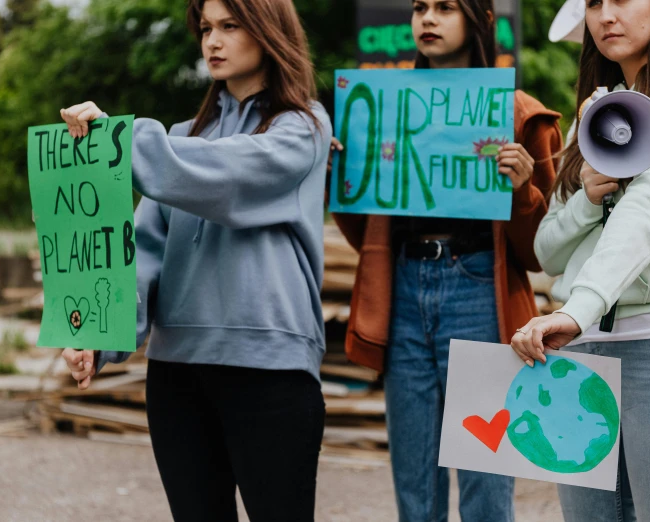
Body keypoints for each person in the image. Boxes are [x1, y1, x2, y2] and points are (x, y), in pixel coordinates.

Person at [59, 0, 331, 520]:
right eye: (206, 28)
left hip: (270, 370)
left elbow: (227, 175)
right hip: (176, 373)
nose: (212, 41)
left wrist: (120, 142)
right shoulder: (180, 140)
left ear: (269, 32)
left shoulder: (304, 129)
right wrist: (102, 334)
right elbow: (145, 251)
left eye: (230, 26)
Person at [330, 0, 563, 519]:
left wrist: (524, 190)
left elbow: (540, 252)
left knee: (486, 472)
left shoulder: (521, 116)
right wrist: (342, 179)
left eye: (444, 8)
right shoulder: (382, 112)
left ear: (477, 19)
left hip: (479, 288)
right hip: (404, 288)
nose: (426, 19)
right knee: (414, 478)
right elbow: (363, 236)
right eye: (419, 8)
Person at [512, 0, 650, 520]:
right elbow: (547, 251)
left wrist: (575, 309)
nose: (605, 16)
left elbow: (649, 210)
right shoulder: (599, 108)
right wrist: (588, 201)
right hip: (584, 351)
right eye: (593, 3)